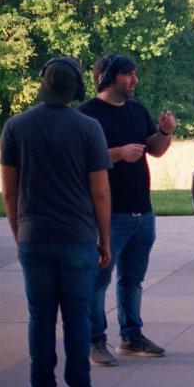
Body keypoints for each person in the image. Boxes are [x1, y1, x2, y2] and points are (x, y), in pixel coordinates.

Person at [1, 58, 112, 387]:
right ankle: (79, 386)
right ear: (75, 88)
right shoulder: (89, 128)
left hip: (35, 237)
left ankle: (42, 386)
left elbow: (9, 191)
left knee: (41, 317)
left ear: (43, 82)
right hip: (78, 238)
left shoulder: (15, 127)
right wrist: (104, 241)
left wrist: (20, 236)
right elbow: (101, 191)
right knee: (78, 318)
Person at [80, 53, 176, 365]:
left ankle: (131, 337)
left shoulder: (136, 110)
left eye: (134, 73)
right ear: (107, 77)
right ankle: (95, 341)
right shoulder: (88, 115)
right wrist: (118, 154)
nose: (134, 80)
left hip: (142, 212)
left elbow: (156, 151)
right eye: (127, 74)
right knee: (98, 281)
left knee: (132, 279)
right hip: (109, 214)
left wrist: (164, 132)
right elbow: (81, 162)